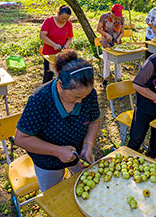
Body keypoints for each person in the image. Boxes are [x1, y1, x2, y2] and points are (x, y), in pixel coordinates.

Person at [15, 50, 100, 192]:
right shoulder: (40, 99)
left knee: (88, 189)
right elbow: (21, 139)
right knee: (53, 197)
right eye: (76, 96)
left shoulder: (88, 94)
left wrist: (88, 145)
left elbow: (94, 121)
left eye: (84, 96)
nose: (80, 101)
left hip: (78, 154)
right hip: (47, 161)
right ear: (60, 85)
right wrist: (58, 151)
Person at [40, 5, 74, 83]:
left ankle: (60, 92)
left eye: (67, 18)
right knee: (48, 76)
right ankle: (46, 92)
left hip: (62, 54)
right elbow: (42, 36)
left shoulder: (69, 24)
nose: (65, 20)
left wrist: (65, 46)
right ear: (58, 14)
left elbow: (70, 37)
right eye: (63, 18)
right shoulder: (49, 21)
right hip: (49, 54)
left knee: (63, 75)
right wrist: (54, 45)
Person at [96, 4, 125, 87]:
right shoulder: (104, 17)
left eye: (118, 15)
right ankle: (106, 78)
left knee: (118, 61)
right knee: (107, 61)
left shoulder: (121, 19)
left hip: (117, 43)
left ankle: (118, 77)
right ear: (112, 12)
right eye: (116, 14)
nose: (117, 17)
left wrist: (119, 38)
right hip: (106, 43)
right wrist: (106, 35)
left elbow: (122, 31)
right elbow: (98, 29)